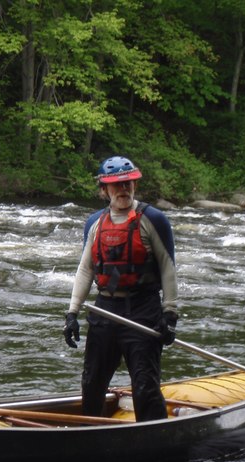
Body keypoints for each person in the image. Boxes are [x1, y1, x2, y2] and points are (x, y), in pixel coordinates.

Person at [63, 156, 178, 422]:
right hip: (105, 310)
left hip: (143, 311)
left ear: (134, 185)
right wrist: (72, 313)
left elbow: (167, 267)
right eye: (116, 185)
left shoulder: (153, 219)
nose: (123, 189)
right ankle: (90, 432)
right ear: (104, 190)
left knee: (145, 385)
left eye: (128, 184)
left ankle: (153, 434)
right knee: (92, 381)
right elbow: (85, 270)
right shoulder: (95, 223)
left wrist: (170, 313)